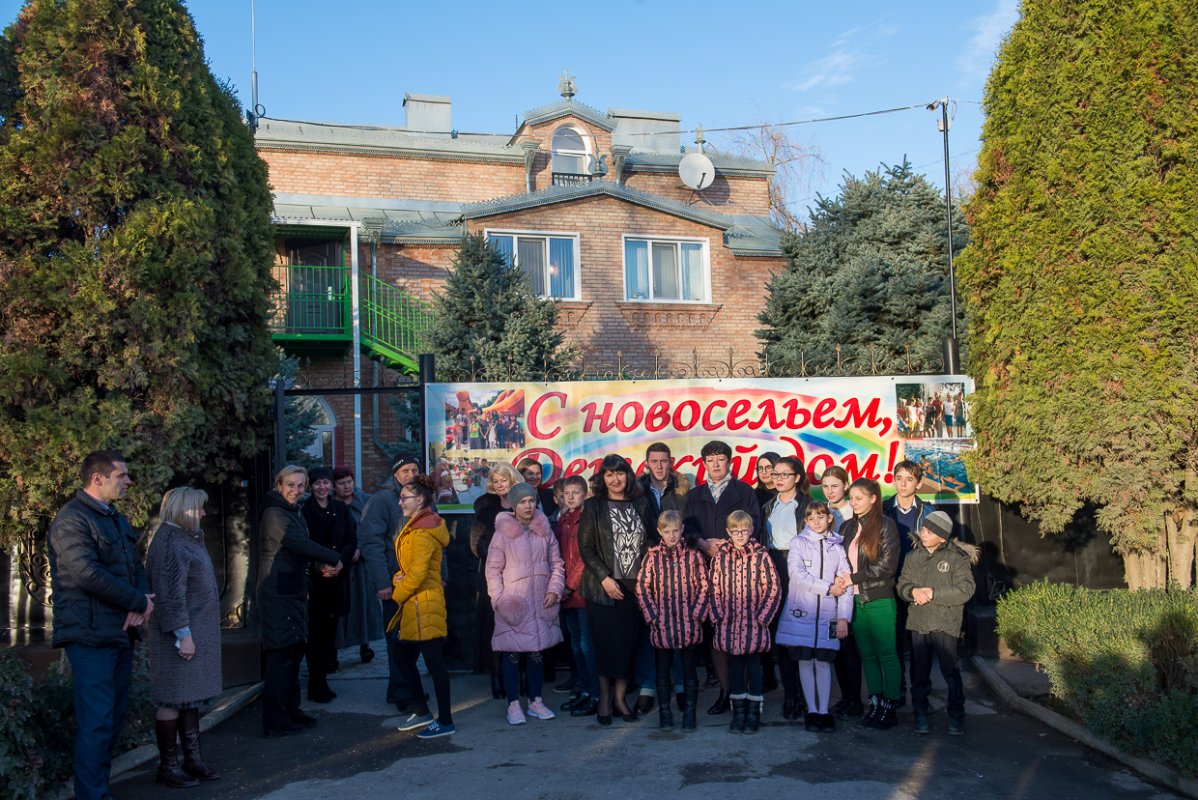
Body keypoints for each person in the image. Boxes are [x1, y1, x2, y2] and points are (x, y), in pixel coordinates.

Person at [48, 451, 154, 800]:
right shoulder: (71, 520)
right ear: (98, 478)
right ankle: (92, 796)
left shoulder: (113, 518)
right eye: (122, 475)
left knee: (111, 720)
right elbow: (87, 574)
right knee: (96, 722)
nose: (127, 481)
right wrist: (137, 601)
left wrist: (139, 604)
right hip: (90, 636)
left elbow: (135, 564)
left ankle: (99, 790)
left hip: (119, 632)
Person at [257, 465, 343, 738]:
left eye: (300, 485)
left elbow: (299, 554)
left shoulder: (292, 512)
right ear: (278, 486)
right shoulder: (274, 513)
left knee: (293, 655)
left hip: (293, 591)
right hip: (277, 594)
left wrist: (319, 566)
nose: (296, 490)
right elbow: (296, 544)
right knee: (281, 657)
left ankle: (290, 711)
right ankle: (275, 720)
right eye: (290, 485)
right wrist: (333, 557)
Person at [145, 487, 222, 788]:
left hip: (192, 632)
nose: (203, 513)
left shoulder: (185, 537)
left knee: (189, 697)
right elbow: (169, 595)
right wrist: (183, 635)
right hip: (177, 636)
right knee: (172, 697)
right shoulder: (169, 541)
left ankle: (193, 760)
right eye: (199, 508)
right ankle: (168, 766)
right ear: (183, 510)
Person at [578, 454, 658, 725]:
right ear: (603, 478)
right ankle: (603, 698)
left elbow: (650, 539)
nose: (615, 479)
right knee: (604, 646)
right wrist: (605, 578)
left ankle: (621, 699)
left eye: (620, 473)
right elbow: (586, 548)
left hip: (633, 587)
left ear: (628, 475)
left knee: (626, 646)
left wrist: (647, 570)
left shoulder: (641, 503)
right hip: (603, 588)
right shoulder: (593, 506)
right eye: (610, 474)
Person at [684, 440, 761, 714]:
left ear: (729, 462)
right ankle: (726, 690)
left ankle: (745, 693)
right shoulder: (695, 494)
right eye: (710, 460)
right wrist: (703, 543)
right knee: (715, 634)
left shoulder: (744, 491)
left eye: (720, 459)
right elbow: (686, 528)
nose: (716, 464)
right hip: (704, 573)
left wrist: (728, 547)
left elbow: (754, 526)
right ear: (703, 463)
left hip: (738, 573)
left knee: (740, 632)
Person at [486, 482, 565, 725]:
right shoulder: (502, 534)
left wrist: (555, 589)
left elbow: (557, 564)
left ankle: (535, 701)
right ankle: (513, 705)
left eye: (531, 500)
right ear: (513, 504)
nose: (528, 505)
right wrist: (499, 600)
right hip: (514, 604)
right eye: (522, 502)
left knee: (536, 653)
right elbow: (493, 570)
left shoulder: (544, 530)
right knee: (511, 654)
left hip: (540, 601)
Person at [897, 511, 978, 736]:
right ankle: (920, 713)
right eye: (923, 529)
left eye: (929, 531)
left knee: (950, 672)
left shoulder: (957, 558)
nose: (923, 533)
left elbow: (966, 590)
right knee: (919, 673)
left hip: (946, 624)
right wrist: (912, 591)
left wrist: (933, 593)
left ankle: (956, 715)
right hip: (918, 623)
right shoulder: (913, 557)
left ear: (942, 537)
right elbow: (901, 585)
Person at [775, 501, 854, 733]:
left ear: (829, 518)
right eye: (811, 518)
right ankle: (811, 710)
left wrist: (843, 617)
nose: (816, 522)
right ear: (805, 521)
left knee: (823, 663)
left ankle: (823, 711)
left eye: (821, 517)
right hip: (802, 615)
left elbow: (846, 584)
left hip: (828, 616)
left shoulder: (837, 547)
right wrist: (829, 588)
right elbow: (797, 576)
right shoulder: (798, 543)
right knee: (805, 662)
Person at [389, 475, 456, 739]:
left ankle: (446, 720)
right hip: (417, 603)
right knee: (402, 657)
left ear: (420, 500)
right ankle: (422, 711)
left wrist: (396, 594)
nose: (400, 502)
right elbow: (410, 571)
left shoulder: (421, 532)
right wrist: (399, 579)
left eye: (404, 498)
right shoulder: (420, 525)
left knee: (435, 664)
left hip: (422, 604)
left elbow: (415, 576)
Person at [833, 478, 902, 730]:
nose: (853, 502)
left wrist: (853, 578)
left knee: (887, 654)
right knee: (868, 657)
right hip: (854, 600)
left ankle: (889, 705)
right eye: (851, 498)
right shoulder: (848, 527)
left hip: (879, 598)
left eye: (858, 498)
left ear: (874, 498)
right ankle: (874, 702)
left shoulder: (886, 525)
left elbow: (886, 566)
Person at [708, 510, 781, 734]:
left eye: (745, 531)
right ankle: (738, 711)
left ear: (751, 530)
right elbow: (713, 588)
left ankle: (753, 712)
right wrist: (717, 616)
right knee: (736, 667)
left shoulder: (761, 555)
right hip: (729, 623)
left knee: (755, 667)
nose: (740, 535)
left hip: (755, 624)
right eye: (735, 531)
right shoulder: (721, 557)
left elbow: (773, 588)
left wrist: (763, 617)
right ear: (728, 532)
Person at [636, 510, 709, 730]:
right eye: (667, 531)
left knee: (689, 671)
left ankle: (689, 713)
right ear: (659, 532)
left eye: (676, 531)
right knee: (663, 671)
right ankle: (665, 713)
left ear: (682, 530)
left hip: (689, 623)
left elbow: (704, 586)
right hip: (662, 625)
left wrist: (697, 614)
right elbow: (642, 588)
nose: (672, 535)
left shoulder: (692, 554)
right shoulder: (653, 556)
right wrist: (653, 617)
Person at [359, 455, 420, 712]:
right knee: (397, 638)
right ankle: (402, 693)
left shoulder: (423, 498)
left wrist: (442, 573)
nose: (411, 474)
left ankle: (401, 688)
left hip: (421, 581)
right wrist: (382, 583)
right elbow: (371, 544)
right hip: (395, 582)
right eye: (406, 470)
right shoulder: (381, 500)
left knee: (415, 638)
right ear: (396, 473)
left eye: (415, 469)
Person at [883, 459, 938, 706]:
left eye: (909, 479)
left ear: (918, 483)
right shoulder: (883, 509)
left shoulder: (928, 512)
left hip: (918, 583)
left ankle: (920, 694)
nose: (903, 484)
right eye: (899, 478)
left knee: (919, 642)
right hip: (891, 581)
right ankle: (897, 690)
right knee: (893, 640)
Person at [301, 467, 358, 703]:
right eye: (317, 483)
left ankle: (324, 678)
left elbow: (351, 539)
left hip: (337, 577)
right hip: (316, 581)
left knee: (330, 631)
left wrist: (340, 563)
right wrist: (320, 564)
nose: (322, 487)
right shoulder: (304, 511)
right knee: (316, 634)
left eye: (325, 483)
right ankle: (316, 682)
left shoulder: (340, 509)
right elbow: (303, 543)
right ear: (310, 486)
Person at [760, 455, 810, 717]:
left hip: (800, 570)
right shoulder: (768, 506)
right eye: (775, 474)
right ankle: (790, 695)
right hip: (774, 569)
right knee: (781, 636)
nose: (777, 478)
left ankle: (805, 695)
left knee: (801, 637)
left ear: (797, 478)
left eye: (783, 474)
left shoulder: (809, 506)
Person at [470, 462, 523, 697]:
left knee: (520, 626)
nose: (500, 484)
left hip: (521, 574)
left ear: (513, 480)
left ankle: (520, 677)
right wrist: (495, 552)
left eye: (504, 480)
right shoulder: (485, 507)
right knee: (496, 628)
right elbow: (476, 542)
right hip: (494, 575)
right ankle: (497, 679)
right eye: (496, 481)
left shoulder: (525, 502)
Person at [555, 475, 599, 716]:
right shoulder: (563, 520)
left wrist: (569, 585)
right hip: (565, 593)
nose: (570, 497)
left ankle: (595, 693)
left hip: (582, 591)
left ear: (585, 495)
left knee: (587, 645)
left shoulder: (587, 519)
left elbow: (585, 558)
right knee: (575, 645)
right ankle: (582, 689)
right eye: (566, 493)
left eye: (575, 492)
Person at [332, 466, 382, 665]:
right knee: (339, 607)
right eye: (342, 483)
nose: (346, 486)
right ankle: (334, 650)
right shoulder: (331, 505)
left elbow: (371, 529)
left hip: (361, 564)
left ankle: (365, 644)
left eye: (349, 482)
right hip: (338, 563)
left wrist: (359, 548)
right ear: (335, 486)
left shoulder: (366, 501)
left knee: (363, 604)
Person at [639, 442, 690, 517]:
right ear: (646, 464)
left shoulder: (683, 492)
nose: (659, 466)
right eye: (654, 461)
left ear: (670, 463)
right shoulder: (637, 492)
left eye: (663, 461)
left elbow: (691, 523)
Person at [820, 466, 853, 532]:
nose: (829, 491)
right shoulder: (818, 510)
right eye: (825, 486)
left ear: (846, 485)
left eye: (834, 486)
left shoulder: (856, 511)